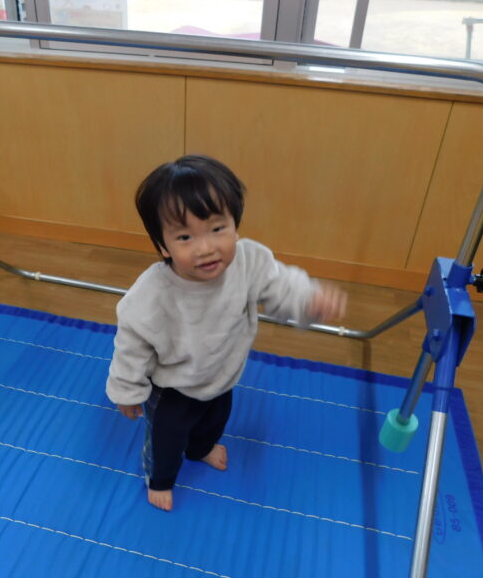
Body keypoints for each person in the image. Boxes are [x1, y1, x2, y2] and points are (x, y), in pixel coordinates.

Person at [106, 155, 347, 511]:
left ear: (235, 225)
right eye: (185, 237)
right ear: (163, 246)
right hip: (173, 388)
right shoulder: (151, 295)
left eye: (217, 229)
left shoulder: (249, 262)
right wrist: (126, 391)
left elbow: (281, 285)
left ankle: (201, 448)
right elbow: (131, 346)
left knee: (214, 422)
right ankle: (159, 478)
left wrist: (308, 300)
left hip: (223, 375)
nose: (206, 248)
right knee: (165, 440)